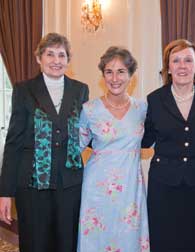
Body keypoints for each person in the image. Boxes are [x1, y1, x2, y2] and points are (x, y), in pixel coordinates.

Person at [0, 32, 89, 252]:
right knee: (34, 244)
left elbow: (87, 132)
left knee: (67, 243)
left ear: (68, 60)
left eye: (62, 55)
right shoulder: (23, 90)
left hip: (70, 184)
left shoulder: (80, 90)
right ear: (39, 58)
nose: (56, 61)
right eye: (50, 54)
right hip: (32, 186)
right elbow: (14, 142)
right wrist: (5, 192)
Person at [142, 39, 195, 252]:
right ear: (168, 67)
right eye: (176, 60)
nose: (182, 65)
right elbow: (144, 139)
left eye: (188, 60)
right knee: (163, 241)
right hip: (163, 185)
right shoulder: (154, 100)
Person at [77, 46, 150, 252]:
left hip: (130, 188)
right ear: (103, 75)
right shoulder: (89, 109)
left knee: (129, 239)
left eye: (121, 72)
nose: (114, 78)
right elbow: (73, 148)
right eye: (109, 71)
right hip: (96, 188)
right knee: (97, 239)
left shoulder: (142, 109)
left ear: (131, 76)